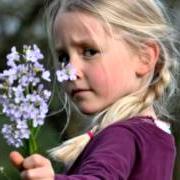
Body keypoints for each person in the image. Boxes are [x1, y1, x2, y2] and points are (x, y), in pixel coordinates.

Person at [9, 0, 179, 179]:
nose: (70, 72)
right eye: (63, 58)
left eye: (89, 51)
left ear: (144, 57)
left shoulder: (122, 136)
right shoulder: (154, 136)